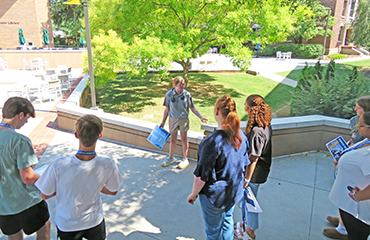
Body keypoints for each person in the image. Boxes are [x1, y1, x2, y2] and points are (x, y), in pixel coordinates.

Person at [35, 114, 123, 240]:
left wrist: (64, 188)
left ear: (76, 135)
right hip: (94, 221)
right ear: (100, 135)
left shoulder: (58, 164)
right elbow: (113, 191)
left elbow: (44, 194)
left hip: (67, 224)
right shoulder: (108, 164)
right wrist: (95, 185)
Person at [187, 95, 250, 240]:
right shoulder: (240, 136)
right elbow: (245, 163)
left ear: (216, 111)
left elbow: (202, 176)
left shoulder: (212, 143)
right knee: (227, 221)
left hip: (215, 197)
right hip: (233, 193)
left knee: (213, 232)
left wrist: (193, 194)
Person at [0, 97, 51, 240]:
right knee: (44, 228)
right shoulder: (20, 141)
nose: (26, 122)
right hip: (25, 202)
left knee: (13, 235)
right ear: (20, 115)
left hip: (3, 204)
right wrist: (50, 179)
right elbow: (28, 177)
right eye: (27, 118)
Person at [324, 95, 370, 240]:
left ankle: (343, 230)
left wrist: (358, 196)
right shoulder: (366, 141)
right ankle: (343, 225)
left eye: (361, 126)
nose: (358, 127)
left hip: (360, 209)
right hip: (350, 203)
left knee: (356, 236)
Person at [240, 94, 272, 240]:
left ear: (249, 109)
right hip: (261, 170)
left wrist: (247, 179)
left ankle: (250, 230)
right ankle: (248, 224)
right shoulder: (265, 124)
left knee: (250, 201)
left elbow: (253, 158)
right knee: (249, 200)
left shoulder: (256, 132)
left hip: (255, 173)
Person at [160, 76, 208, 169]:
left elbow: (193, 108)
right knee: (173, 139)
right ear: (175, 85)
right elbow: (167, 109)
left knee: (184, 139)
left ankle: (185, 159)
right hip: (173, 119)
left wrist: (201, 117)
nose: (183, 86)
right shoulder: (169, 94)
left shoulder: (187, 94)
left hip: (183, 120)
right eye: (181, 84)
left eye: (184, 84)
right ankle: (170, 158)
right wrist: (163, 122)